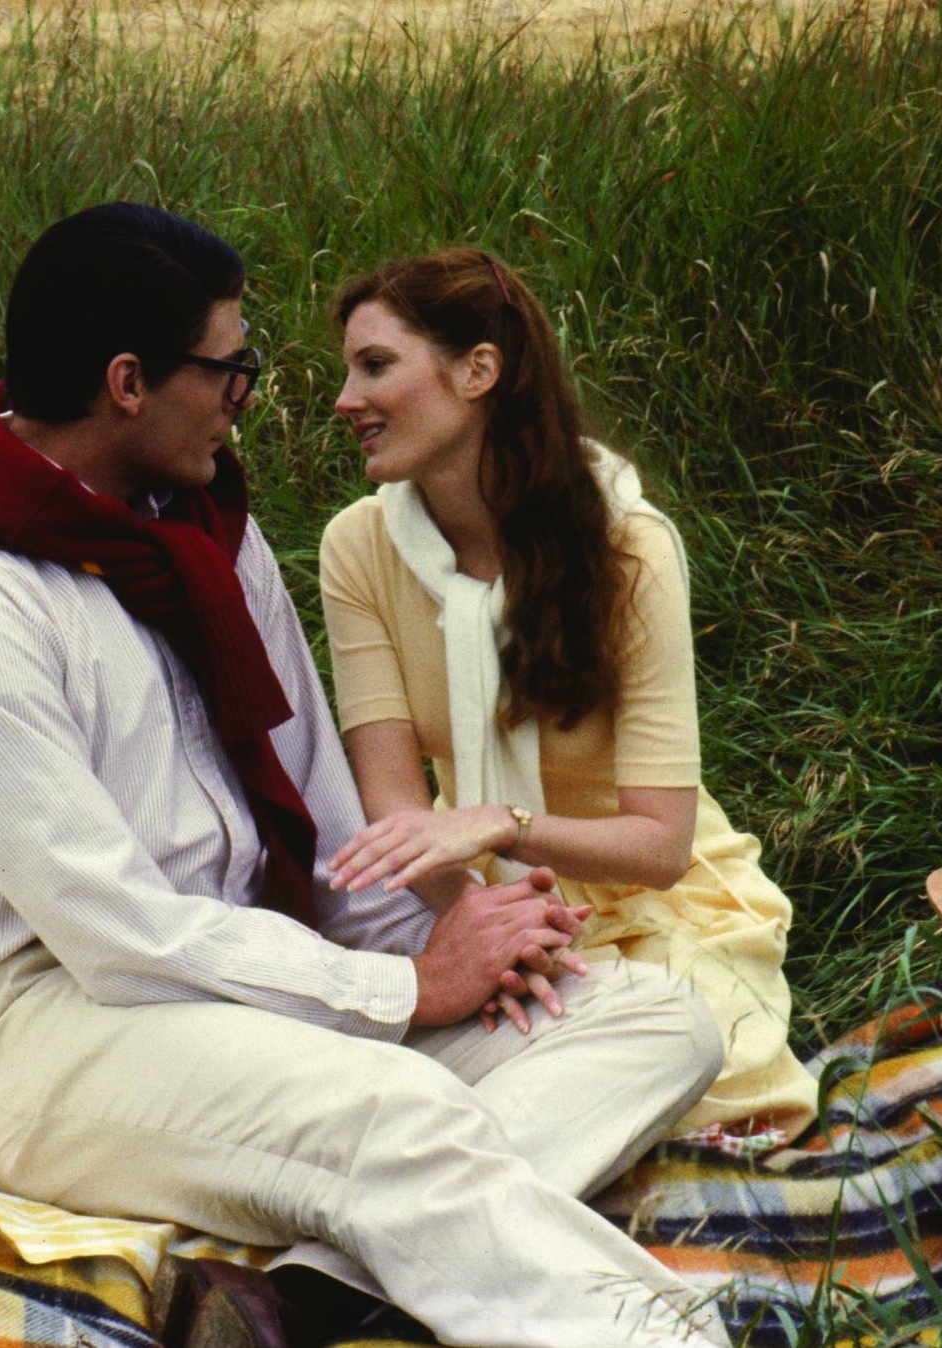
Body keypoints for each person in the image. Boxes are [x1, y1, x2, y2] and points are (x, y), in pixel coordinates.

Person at [0, 204, 727, 1348]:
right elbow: (120, 936)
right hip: (54, 1023)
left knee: (655, 1017)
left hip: (250, 965)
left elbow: (321, 820)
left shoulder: (205, 532)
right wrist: (407, 991)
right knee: (393, 1111)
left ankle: (308, 1297)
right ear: (127, 383)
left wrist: (458, 934)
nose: (247, 397)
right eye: (230, 370)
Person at [319, 246, 819, 1146]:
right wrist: (480, 921)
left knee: (692, 1071)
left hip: (651, 898)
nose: (344, 398)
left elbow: (660, 845)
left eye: (375, 365)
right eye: (348, 370)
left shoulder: (629, 548)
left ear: (477, 371)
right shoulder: (356, 548)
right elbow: (393, 802)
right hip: (459, 891)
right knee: (375, 1069)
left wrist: (503, 826)